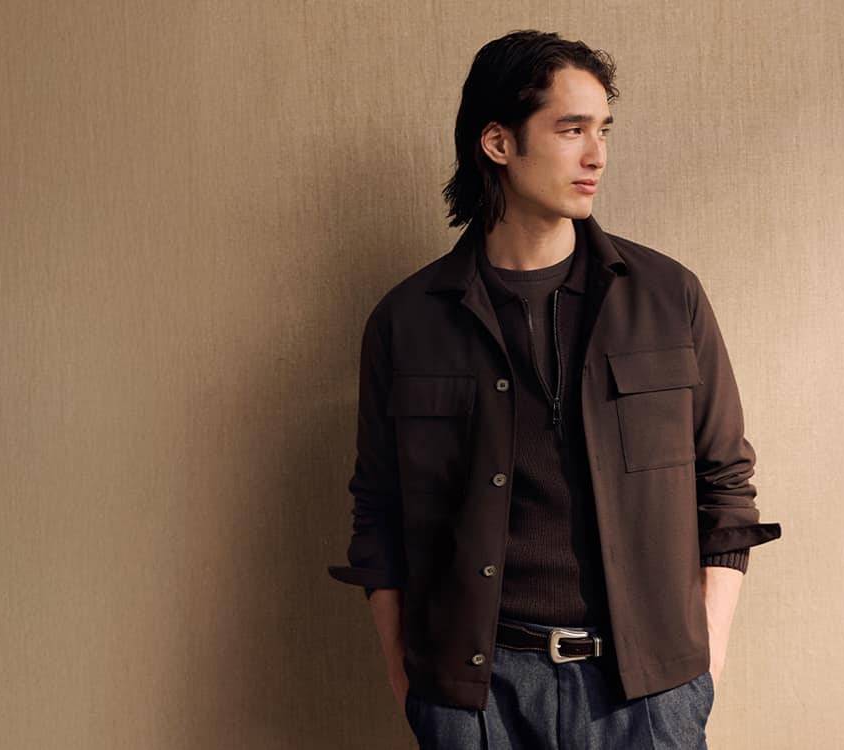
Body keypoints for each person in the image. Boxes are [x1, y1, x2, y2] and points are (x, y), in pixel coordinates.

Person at [329, 29, 782, 749]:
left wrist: (706, 660)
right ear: (498, 143)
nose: (596, 154)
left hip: (647, 695)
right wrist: (405, 677)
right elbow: (379, 511)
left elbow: (724, 484)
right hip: (478, 699)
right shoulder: (406, 321)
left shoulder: (668, 297)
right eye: (571, 130)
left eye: (603, 130)